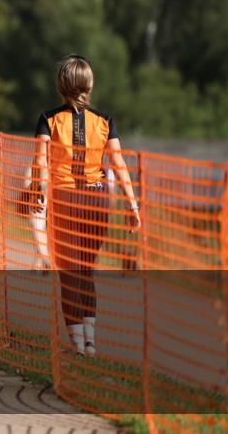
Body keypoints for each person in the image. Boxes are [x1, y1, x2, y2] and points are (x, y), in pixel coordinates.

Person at [32, 54, 140, 356]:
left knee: (69, 273)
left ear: (60, 85)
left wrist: (34, 190)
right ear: (89, 85)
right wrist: (133, 207)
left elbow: (40, 161)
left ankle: (76, 344)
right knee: (87, 270)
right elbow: (118, 163)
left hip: (65, 200)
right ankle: (91, 341)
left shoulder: (49, 119)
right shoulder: (104, 122)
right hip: (97, 201)